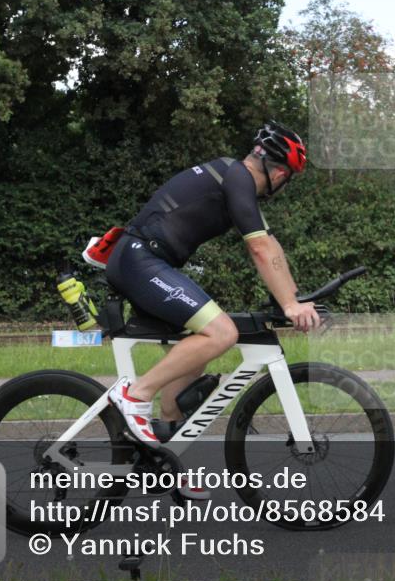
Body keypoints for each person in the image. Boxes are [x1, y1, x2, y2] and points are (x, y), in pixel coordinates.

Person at [104, 121, 321, 447]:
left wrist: (293, 299)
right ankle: (135, 395)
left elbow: (270, 245)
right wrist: (290, 305)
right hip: (139, 261)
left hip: (146, 261)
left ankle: (166, 442)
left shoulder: (236, 180)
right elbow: (259, 249)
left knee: (203, 340)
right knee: (221, 332)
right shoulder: (237, 178)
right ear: (280, 175)